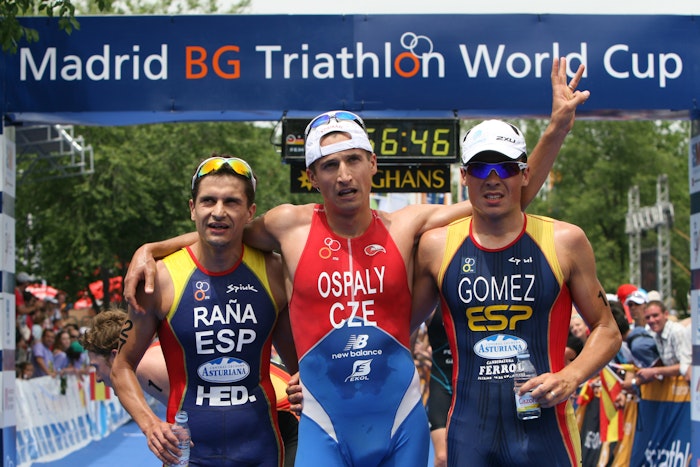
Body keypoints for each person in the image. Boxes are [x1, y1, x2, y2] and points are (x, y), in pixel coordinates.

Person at [123, 58, 589, 466]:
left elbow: (504, 195)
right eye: (329, 165)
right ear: (312, 176)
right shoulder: (289, 226)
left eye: (353, 161)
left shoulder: (407, 225)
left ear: (373, 164)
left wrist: (556, 129)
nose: (344, 175)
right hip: (324, 422)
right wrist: (152, 248)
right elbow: (221, 228)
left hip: (399, 420)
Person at [412, 119, 621, 466]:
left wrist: (571, 376)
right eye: (480, 168)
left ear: (525, 174)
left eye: (506, 167)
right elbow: (399, 328)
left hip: (547, 432)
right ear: (464, 176)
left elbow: (607, 329)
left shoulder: (564, 241)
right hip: (470, 434)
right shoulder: (436, 246)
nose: (493, 178)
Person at [111, 155, 298, 466]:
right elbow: (121, 366)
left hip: (261, 451)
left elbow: (300, 365)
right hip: (188, 455)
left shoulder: (275, 272)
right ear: (192, 208)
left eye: (231, 202)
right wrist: (150, 424)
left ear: (250, 212)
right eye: (208, 200)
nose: (218, 211)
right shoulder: (160, 280)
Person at [634, 300, 691, 385]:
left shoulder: (676, 332)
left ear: (666, 314)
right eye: (648, 317)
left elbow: (685, 366)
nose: (651, 320)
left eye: (655, 315)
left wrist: (654, 371)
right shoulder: (655, 334)